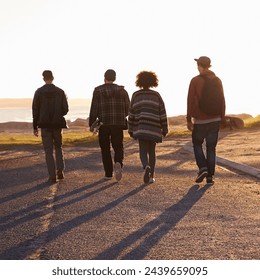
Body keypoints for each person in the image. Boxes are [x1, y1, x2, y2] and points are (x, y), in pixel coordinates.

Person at [187, 56, 226, 185]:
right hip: (215, 119)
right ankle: (210, 177)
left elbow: (190, 100)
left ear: (199, 66)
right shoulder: (217, 80)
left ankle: (203, 167)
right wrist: (222, 117)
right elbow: (222, 99)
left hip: (200, 120)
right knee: (211, 148)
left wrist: (189, 119)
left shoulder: (195, 80)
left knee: (197, 144)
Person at [89, 69, 130, 181]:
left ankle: (108, 173)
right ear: (115, 78)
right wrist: (121, 115)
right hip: (118, 123)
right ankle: (118, 162)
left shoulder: (98, 90)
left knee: (105, 148)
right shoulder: (122, 91)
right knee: (118, 146)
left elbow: (94, 109)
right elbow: (128, 108)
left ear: (104, 77)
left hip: (104, 124)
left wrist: (91, 124)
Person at [128, 71, 168, 184]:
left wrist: (130, 129)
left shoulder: (136, 95)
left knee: (143, 150)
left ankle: (146, 166)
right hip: (154, 128)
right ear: (153, 82)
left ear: (139, 81)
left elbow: (131, 114)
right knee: (152, 151)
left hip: (141, 128)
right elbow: (162, 112)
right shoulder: (156, 95)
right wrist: (165, 128)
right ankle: (151, 176)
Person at [32, 70, 69, 183]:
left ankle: (52, 175)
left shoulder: (39, 92)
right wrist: (58, 114)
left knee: (48, 150)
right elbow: (65, 109)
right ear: (53, 78)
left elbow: (35, 111)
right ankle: (60, 171)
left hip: (44, 125)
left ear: (43, 78)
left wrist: (35, 127)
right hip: (57, 124)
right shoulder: (60, 92)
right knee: (58, 147)